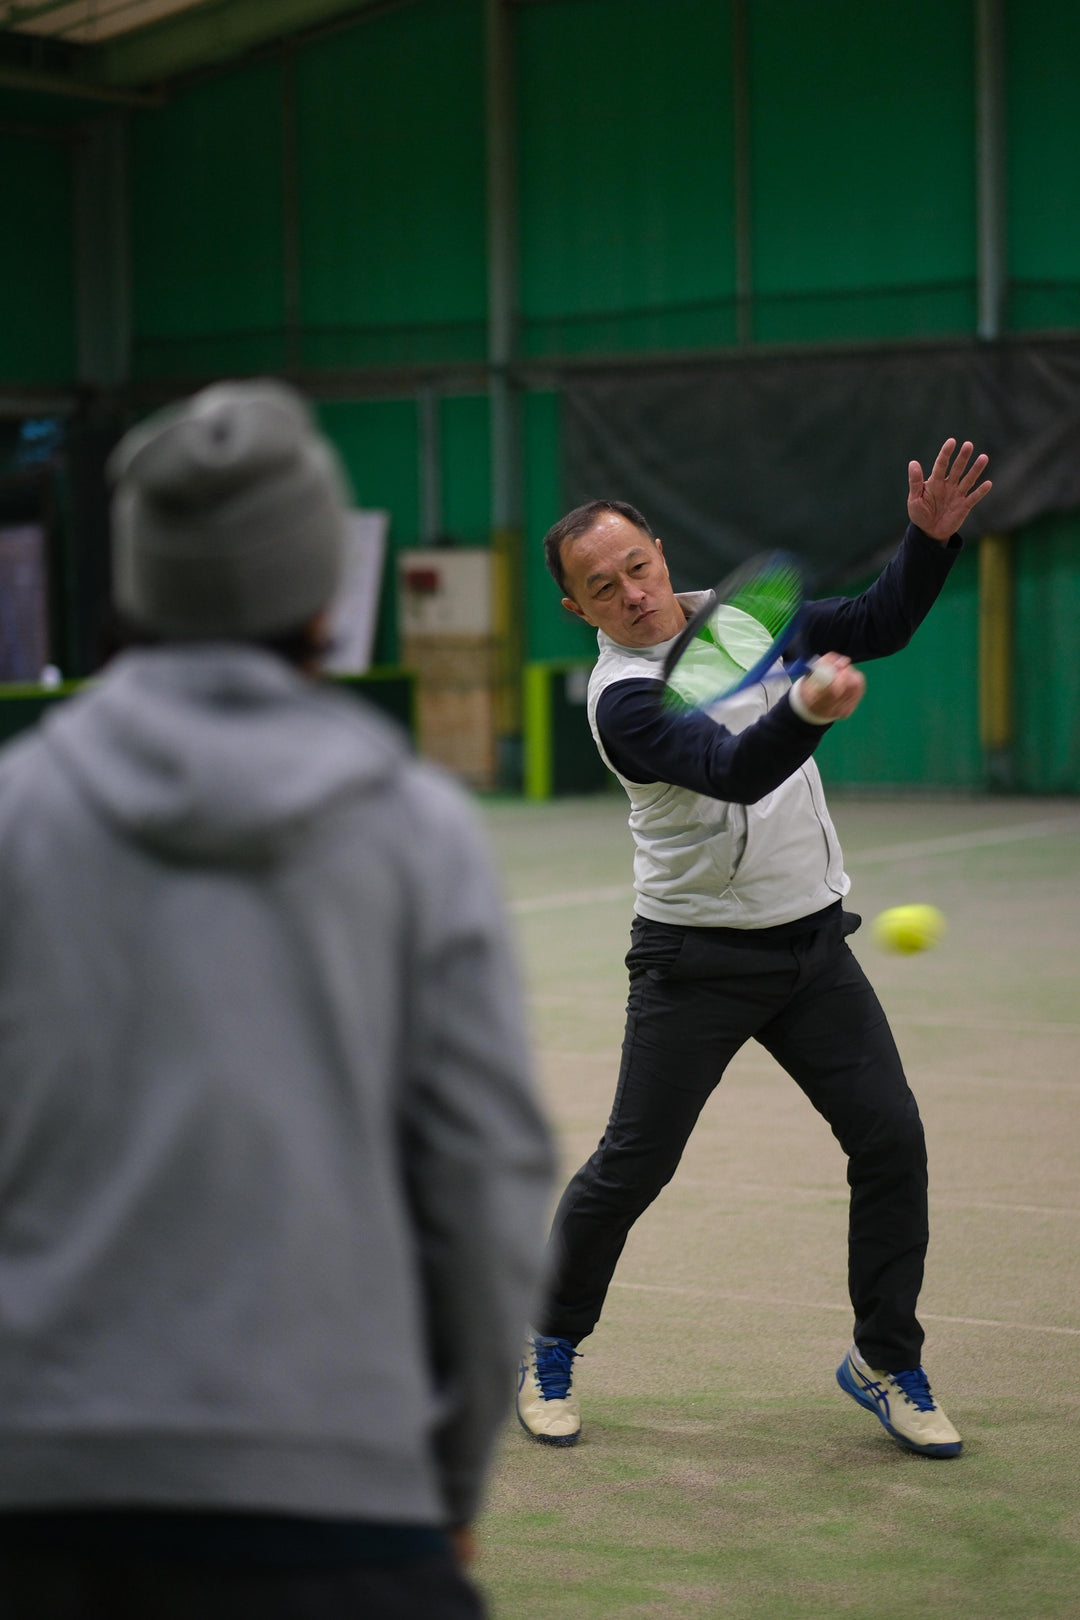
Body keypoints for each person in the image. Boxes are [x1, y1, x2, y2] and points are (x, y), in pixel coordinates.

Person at [0, 381, 553, 1619]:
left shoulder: (16, 816)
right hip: (339, 1510)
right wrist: (443, 1482)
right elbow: (489, 1184)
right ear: (319, 595)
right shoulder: (416, 832)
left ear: (137, 585)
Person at [516, 438, 991, 1460]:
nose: (632, 594)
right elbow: (732, 769)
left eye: (636, 566)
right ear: (577, 607)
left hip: (813, 950)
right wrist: (807, 711)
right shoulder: (622, 699)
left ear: (658, 550)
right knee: (633, 1167)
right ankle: (549, 1341)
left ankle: (884, 1360)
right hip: (695, 962)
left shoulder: (743, 619)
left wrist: (927, 542)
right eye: (602, 589)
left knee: (891, 1142)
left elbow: (877, 623)